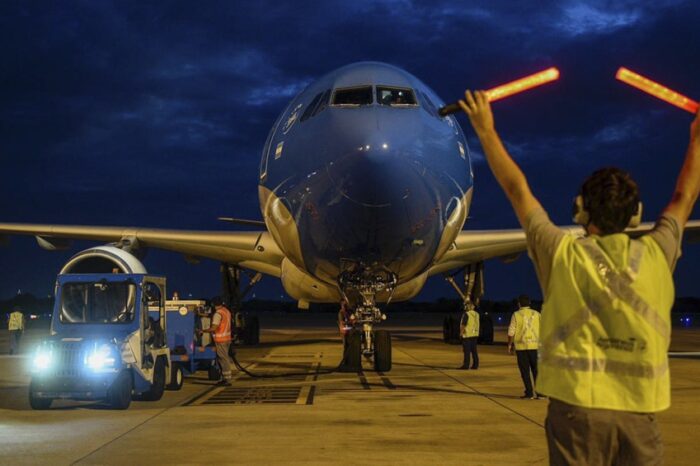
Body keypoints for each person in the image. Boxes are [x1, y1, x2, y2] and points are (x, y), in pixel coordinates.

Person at [460, 91, 700, 465]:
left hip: (577, 415)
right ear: (637, 215)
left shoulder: (562, 253)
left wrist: (485, 130)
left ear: (579, 211)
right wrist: (698, 138)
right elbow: (685, 196)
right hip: (640, 416)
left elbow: (517, 189)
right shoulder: (657, 253)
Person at [507, 295, 540, 399]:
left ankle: (529, 393)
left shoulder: (516, 315)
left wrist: (509, 345)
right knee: (537, 371)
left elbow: (511, 331)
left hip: (521, 348)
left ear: (519, 304)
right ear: (529, 303)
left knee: (525, 371)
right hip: (535, 347)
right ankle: (541, 393)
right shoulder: (537, 314)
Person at [198, 296, 235, 386]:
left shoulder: (218, 314)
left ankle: (227, 379)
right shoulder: (226, 311)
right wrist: (202, 315)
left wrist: (203, 331)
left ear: (214, 305)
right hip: (227, 339)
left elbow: (214, 327)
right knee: (224, 358)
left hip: (221, 340)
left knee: (223, 359)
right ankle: (225, 378)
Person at [458, 303, 479, 369]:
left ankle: (466, 365)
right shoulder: (477, 314)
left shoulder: (466, 314)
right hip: (474, 335)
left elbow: (463, 324)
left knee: (467, 351)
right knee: (474, 351)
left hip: (467, 335)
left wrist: (461, 333)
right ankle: (475, 365)